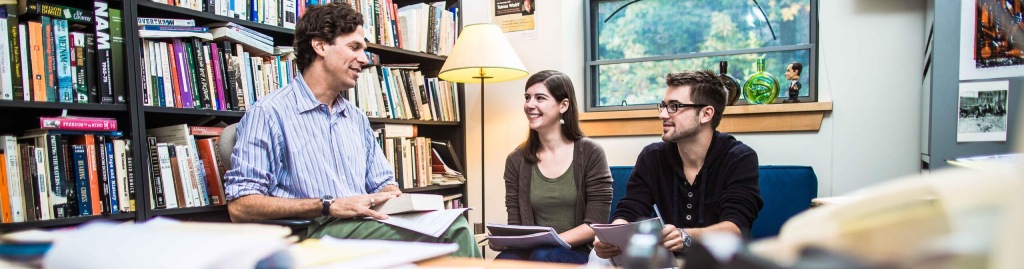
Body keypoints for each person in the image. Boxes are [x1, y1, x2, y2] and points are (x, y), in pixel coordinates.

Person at [222, 2, 480, 258]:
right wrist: (328, 205)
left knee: (446, 221)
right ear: (320, 45)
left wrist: (395, 197)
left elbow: (382, 184)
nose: (364, 59)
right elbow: (241, 206)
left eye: (364, 49)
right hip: (310, 233)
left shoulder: (356, 118)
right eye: (354, 47)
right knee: (454, 230)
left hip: (363, 224)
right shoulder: (269, 113)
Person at [593, 70, 763, 260]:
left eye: (674, 106)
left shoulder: (739, 158)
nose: (663, 115)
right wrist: (611, 237)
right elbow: (631, 210)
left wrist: (685, 235)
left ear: (706, 114)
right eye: (663, 106)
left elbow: (736, 228)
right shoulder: (652, 157)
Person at [498, 70, 613, 264]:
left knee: (543, 256)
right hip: (533, 251)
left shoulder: (591, 152)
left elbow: (595, 224)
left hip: (578, 251)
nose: (529, 105)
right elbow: (516, 225)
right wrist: (506, 241)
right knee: (504, 261)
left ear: (563, 105)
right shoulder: (515, 160)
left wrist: (549, 241)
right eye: (527, 97)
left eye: (540, 98)